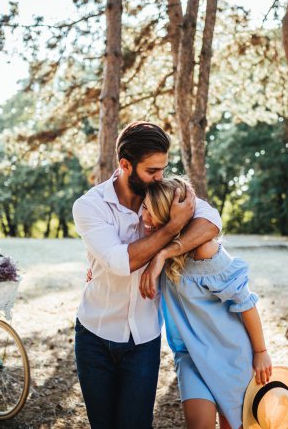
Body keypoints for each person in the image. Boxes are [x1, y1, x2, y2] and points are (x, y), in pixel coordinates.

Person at [71, 121, 222, 429]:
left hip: (144, 338)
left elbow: (212, 221)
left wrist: (164, 253)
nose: (160, 177)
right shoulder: (90, 206)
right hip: (95, 336)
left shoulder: (165, 193)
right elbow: (118, 261)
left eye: (163, 169)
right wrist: (171, 227)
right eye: (152, 170)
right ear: (125, 165)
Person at [139, 176, 272, 429]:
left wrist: (261, 352)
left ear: (170, 217)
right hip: (190, 357)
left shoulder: (204, 250)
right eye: (144, 207)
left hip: (230, 355)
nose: (143, 216)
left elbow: (245, 302)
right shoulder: (156, 246)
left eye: (150, 210)